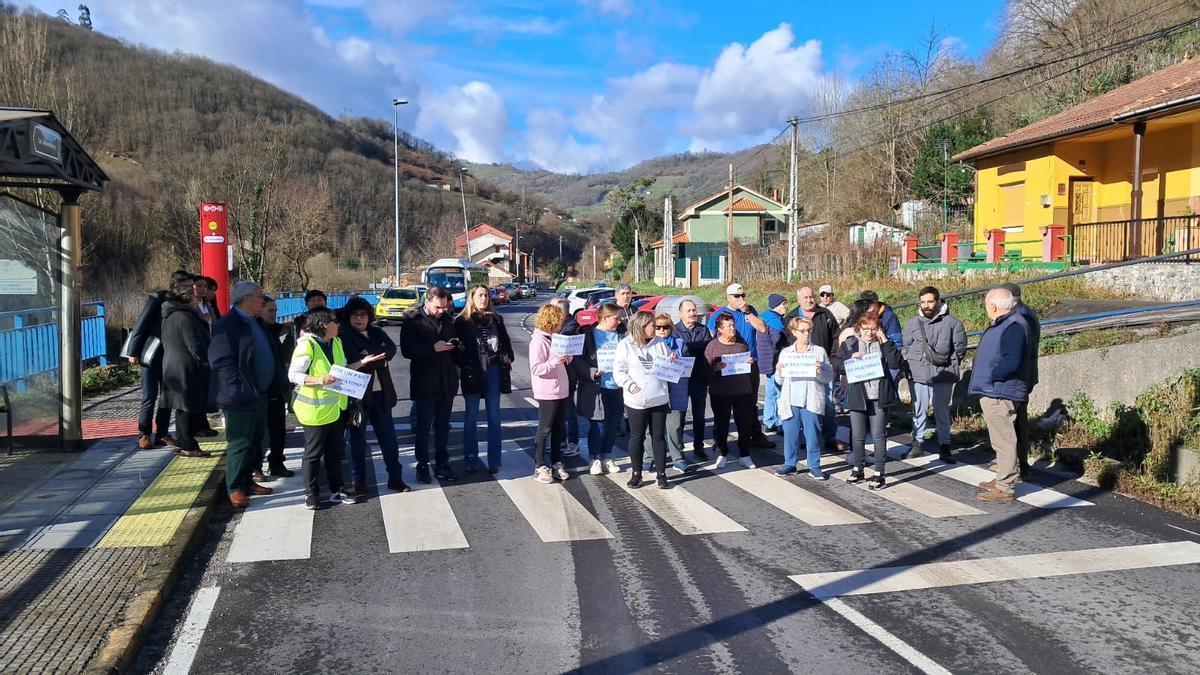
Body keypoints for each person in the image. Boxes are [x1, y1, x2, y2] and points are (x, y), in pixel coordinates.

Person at [209, 281, 277, 509]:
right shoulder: (228, 324)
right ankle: (235, 487)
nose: (263, 299)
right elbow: (221, 361)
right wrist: (239, 387)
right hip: (240, 395)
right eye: (260, 296)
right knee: (240, 442)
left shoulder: (255, 321)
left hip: (259, 393)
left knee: (256, 439)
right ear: (247, 299)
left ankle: (248, 480)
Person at [289, 308, 364, 509]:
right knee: (313, 454)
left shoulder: (336, 342)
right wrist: (319, 380)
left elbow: (342, 370)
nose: (338, 325)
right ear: (323, 325)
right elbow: (293, 375)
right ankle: (311, 494)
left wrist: (362, 363)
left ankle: (337, 489)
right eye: (335, 322)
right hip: (315, 410)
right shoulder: (307, 345)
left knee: (334, 452)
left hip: (336, 408)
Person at [340, 297, 409, 493]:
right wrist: (367, 360)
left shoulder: (376, 331)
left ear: (369, 317)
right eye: (354, 315)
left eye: (362, 315)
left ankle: (395, 478)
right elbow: (349, 362)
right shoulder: (343, 336)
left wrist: (370, 359)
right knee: (356, 442)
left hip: (381, 394)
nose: (359, 319)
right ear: (348, 316)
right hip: (357, 398)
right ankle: (359, 481)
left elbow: (390, 350)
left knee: (389, 440)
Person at [970, 288, 1032, 504]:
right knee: (1001, 439)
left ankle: (1005, 486)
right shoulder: (1009, 323)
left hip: (999, 390)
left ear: (993, 306)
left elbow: (1011, 361)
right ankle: (1003, 479)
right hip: (997, 389)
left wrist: (992, 374)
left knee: (1004, 439)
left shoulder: (1012, 326)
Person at [833, 313, 902, 490]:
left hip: (879, 396)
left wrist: (885, 340)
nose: (870, 332)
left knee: (878, 435)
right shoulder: (849, 343)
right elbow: (837, 364)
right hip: (858, 395)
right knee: (857, 436)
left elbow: (896, 363)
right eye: (866, 329)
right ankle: (858, 468)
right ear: (859, 329)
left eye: (874, 328)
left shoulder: (884, 344)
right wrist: (850, 360)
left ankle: (879, 473)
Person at [400, 286, 462, 485]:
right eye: (438, 307)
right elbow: (407, 350)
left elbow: (455, 346)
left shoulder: (448, 319)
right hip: (424, 382)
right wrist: (432, 348)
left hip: (447, 381)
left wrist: (457, 346)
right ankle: (423, 465)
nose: (441, 311)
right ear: (427, 302)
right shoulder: (413, 321)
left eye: (445, 307)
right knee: (423, 427)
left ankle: (443, 463)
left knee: (443, 426)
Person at [902, 286, 967, 464]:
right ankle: (917, 443)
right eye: (923, 302)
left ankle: (944, 446)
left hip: (943, 373)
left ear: (938, 301)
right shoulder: (912, 323)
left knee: (942, 411)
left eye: (930, 301)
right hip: (919, 373)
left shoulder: (953, 323)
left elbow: (960, 349)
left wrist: (948, 363)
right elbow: (906, 345)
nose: (926, 305)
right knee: (919, 410)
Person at [707, 283, 773, 449]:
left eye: (743, 295)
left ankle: (754, 435)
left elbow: (762, 328)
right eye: (737, 296)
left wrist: (747, 312)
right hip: (728, 365)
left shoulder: (750, 310)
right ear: (728, 297)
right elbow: (713, 338)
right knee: (723, 405)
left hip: (749, 363)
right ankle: (719, 438)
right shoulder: (720, 314)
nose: (741, 299)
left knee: (749, 402)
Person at [456, 285, 514, 476]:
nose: (484, 299)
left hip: (494, 369)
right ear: (471, 298)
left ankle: (494, 461)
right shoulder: (462, 321)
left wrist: (507, 358)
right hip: (473, 371)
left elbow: (506, 343)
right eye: (480, 295)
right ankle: (471, 459)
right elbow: (456, 349)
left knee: (494, 417)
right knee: (471, 417)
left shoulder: (497, 319)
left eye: (486, 295)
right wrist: (464, 362)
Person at [613, 311, 674, 489]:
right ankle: (636, 473)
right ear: (641, 326)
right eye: (651, 325)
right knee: (637, 436)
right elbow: (619, 371)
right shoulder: (625, 345)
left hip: (659, 398)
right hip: (636, 400)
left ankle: (661, 474)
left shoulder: (660, 344)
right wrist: (631, 386)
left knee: (658, 436)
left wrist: (672, 360)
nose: (655, 328)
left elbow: (668, 368)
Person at [159, 273, 212, 458]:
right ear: (188, 298)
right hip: (186, 368)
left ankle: (187, 441)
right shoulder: (185, 317)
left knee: (183, 407)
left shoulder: (170, 314)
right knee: (186, 408)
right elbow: (195, 344)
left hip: (174, 365)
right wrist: (207, 360)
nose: (198, 301)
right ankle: (188, 444)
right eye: (196, 298)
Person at [773, 317, 833, 479]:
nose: (806, 334)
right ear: (794, 332)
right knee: (790, 433)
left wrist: (820, 371)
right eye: (802, 331)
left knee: (812, 434)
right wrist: (778, 370)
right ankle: (790, 463)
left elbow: (828, 378)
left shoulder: (819, 352)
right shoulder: (786, 353)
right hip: (791, 399)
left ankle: (814, 465)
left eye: (809, 330)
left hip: (811, 399)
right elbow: (779, 381)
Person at [123, 273, 177, 449]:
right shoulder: (157, 299)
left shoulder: (186, 304)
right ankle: (144, 433)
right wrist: (134, 352)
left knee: (167, 397)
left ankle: (162, 433)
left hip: (170, 356)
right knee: (149, 396)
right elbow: (140, 325)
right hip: (151, 355)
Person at [786, 285, 842, 451]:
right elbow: (785, 342)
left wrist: (832, 361)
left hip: (823, 366)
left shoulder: (825, 314)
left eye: (811, 297)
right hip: (799, 369)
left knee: (829, 404)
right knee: (802, 404)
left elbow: (836, 338)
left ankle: (829, 436)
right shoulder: (791, 317)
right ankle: (806, 437)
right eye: (806, 298)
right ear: (798, 300)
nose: (810, 300)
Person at [574, 303, 624, 475]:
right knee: (599, 424)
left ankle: (607, 455)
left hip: (617, 385)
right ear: (605, 318)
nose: (619, 321)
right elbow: (578, 360)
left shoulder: (622, 334)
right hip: (597, 386)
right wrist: (592, 372)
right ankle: (594, 458)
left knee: (613, 423)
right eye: (616, 318)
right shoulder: (588, 335)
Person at [705, 312, 759, 470]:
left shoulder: (741, 344)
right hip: (720, 392)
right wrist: (715, 368)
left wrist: (751, 362)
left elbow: (751, 366)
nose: (732, 328)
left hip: (742, 390)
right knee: (721, 424)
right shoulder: (712, 347)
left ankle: (745, 454)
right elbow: (705, 370)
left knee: (744, 423)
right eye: (728, 326)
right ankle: (722, 453)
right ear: (720, 329)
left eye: (733, 325)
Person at [528, 303, 573, 484]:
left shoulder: (555, 338)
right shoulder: (538, 340)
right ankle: (540, 465)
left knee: (559, 429)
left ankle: (556, 462)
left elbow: (561, 360)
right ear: (550, 321)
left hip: (561, 388)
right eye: (558, 321)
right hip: (547, 391)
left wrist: (567, 357)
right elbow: (537, 368)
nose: (561, 324)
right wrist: (555, 362)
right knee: (545, 428)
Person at [1001, 282, 1040, 480]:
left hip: (1019, 376)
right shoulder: (1025, 314)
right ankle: (1015, 463)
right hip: (1023, 374)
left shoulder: (1021, 318)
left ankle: (1020, 465)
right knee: (1015, 420)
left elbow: (1024, 351)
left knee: (1016, 421)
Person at [255, 297, 296, 479]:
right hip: (259, 388)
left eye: (276, 310)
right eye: (270, 311)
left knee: (278, 429)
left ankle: (276, 463)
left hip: (278, 386)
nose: (275, 315)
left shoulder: (281, 330)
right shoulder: (254, 330)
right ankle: (255, 467)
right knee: (257, 431)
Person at [672, 299, 712, 461]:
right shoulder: (674, 330)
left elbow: (708, 348)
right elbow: (679, 349)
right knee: (679, 416)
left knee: (699, 414)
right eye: (689, 311)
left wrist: (690, 346)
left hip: (699, 377)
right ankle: (678, 447)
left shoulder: (703, 330)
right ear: (680, 313)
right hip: (680, 379)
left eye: (694, 310)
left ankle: (699, 446)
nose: (692, 314)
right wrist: (696, 346)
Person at [551, 297, 583, 454]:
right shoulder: (561, 325)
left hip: (569, 375)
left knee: (569, 411)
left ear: (561, 311)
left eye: (553, 309)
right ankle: (561, 442)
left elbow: (564, 344)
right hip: (560, 374)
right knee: (560, 412)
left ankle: (572, 443)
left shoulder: (571, 326)